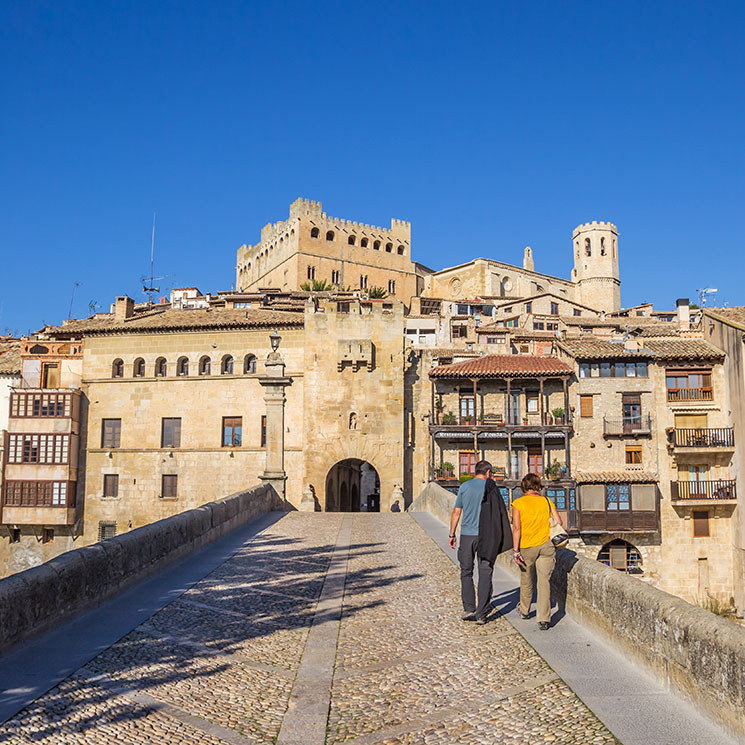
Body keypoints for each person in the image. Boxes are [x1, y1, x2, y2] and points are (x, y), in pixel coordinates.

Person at [449, 460, 512, 625]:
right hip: (486, 536)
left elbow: (456, 512)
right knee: (485, 572)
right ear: (489, 473)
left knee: (466, 572)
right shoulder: (491, 488)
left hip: (467, 536)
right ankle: (482, 614)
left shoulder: (464, 487)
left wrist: (452, 534)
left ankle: (469, 608)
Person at [511, 472, 563, 630]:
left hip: (527, 546)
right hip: (546, 546)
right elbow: (559, 522)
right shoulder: (547, 501)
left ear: (524, 487)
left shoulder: (518, 503)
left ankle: (525, 610)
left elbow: (517, 528)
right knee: (544, 582)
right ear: (537, 486)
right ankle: (544, 619)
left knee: (527, 580)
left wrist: (515, 550)